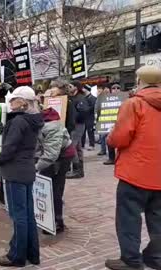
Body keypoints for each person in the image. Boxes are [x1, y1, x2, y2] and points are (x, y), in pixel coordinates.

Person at [104, 66, 161, 270]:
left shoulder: (134, 103)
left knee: (129, 217)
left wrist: (110, 136)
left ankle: (131, 260)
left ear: (139, 81)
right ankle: (156, 257)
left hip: (135, 172)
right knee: (158, 218)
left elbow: (120, 137)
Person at [0, 86, 43, 267]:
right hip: (26, 169)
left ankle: (17, 255)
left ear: (22, 102)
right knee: (28, 215)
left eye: (13, 99)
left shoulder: (19, 121)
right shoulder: (31, 120)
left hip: (15, 171)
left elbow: (10, 148)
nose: (10, 102)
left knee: (18, 216)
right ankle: (32, 253)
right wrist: (4, 130)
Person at [35, 107, 76, 234]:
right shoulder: (44, 125)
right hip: (56, 156)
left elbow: (51, 154)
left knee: (54, 189)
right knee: (50, 187)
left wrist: (35, 167)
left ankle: (57, 222)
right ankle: (51, 219)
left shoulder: (51, 127)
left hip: (61, 158)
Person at [66, 81, 90, 179]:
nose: (68, 88)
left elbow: (84, 111)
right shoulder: (72, 98)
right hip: (74, 125)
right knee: (77, 147)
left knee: (72, 147)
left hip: (78, 125)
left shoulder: (80, 98)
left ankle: (77, 170)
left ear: (76, 88)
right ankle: (79, 170)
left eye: (70, 86)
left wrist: (74, 118)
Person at [103, 83, 122, 165]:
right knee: (109, 140)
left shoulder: (124, 98)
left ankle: (121, 158)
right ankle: (111, 158)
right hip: (110, 123)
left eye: (118, 88)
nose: (116, 89)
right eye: (114, 88)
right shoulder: (107, 99)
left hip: (122, 122)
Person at [96, 85, 112, 156]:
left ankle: (109, 151)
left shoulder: (110, 98)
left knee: (107, 136)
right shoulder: (99, 99)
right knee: (102, 136)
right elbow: (96, 108)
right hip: (101, 119)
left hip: (108, 119)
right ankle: (103, 150)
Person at [81, 86, 97, 151]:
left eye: (83, 88)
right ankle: (82, 144)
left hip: (90, 117)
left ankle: (91, 145)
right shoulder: (83, 98)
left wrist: (85, 109)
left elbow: (93, 107)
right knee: (82, 132)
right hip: (83, 117)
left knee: (90, 131)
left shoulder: (93, 98)